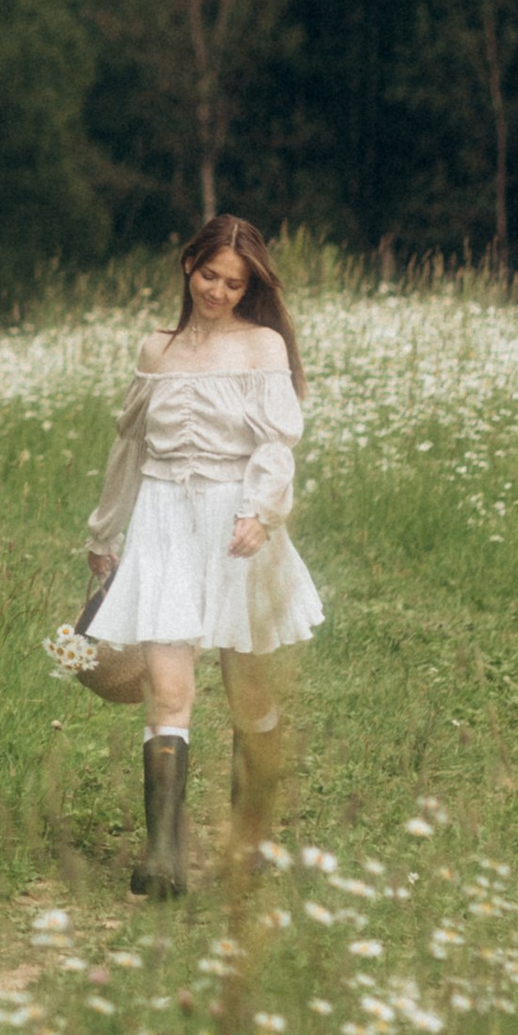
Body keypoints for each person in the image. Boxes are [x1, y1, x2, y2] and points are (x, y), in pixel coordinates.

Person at [82, 214, 322, 897]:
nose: (218, 291)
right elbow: (130, 445)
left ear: (251, 288)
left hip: (235, 525)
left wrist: (260, 511)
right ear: (189, 265)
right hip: (162, 521)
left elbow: (276, 444)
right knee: (167, 689)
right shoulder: (156, 350)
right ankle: (163, 856)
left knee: (249, 694)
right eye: (210, 275)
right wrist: (105, 531)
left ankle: (253, 840)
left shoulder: (262, 346)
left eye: (234, 283)